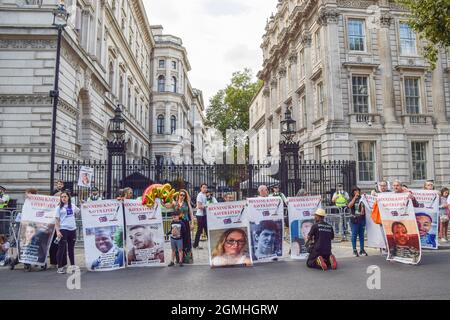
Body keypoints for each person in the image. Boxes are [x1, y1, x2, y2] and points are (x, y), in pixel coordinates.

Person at [55, 191, 80, 274]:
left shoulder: (72, 206)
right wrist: (57, 231)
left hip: (72, 229)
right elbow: (57, 220)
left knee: (71, 249)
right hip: (63, 229)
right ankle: (60, 267)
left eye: (65, 196)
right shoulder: (58, 207)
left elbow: (79, 211)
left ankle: (73, 266)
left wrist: (83, 203)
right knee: (61, 248)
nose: (63, 198)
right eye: (62, 197)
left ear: (68, 197)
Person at [348, 187, 368, 257]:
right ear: (353, 192)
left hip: (361, 219)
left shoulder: (361, 199)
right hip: (354, 220)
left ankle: (362, 249)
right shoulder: (351, 198)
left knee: (361, 235)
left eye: (358, 191)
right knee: (354, 235)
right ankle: (354, 250)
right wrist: (355, 198)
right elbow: (349, 205)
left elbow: (365, 206)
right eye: (355, 191)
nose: (357, 192)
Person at [193, 183, 208, 249]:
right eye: (203, 187)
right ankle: (195, 245)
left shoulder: (206, 195)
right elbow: (199, 206)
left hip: (204, 215)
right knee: (199, 230)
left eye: (206, 187)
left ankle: (211, 243)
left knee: (207, 229)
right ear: (201, 188)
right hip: (200, 215)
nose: (205, 189)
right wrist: (207, 207)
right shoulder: (200, 195)